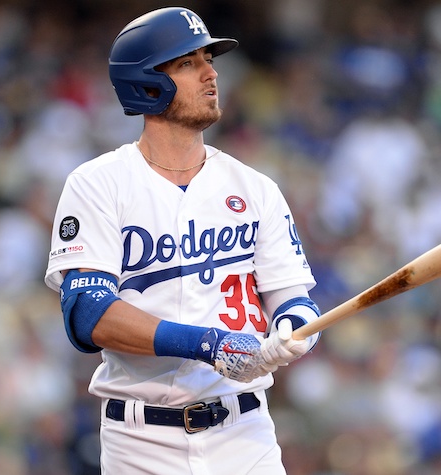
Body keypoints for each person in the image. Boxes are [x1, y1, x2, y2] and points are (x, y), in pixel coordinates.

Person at [44, 7, 321, 474]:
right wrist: (209, 343)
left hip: (245, 435)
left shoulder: (255, 187)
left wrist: (292, 330)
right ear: (147, 82)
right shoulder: (98, 183)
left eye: (208, 60)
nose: (212, 73)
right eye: (189, 63)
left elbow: (294, 297)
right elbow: (87, 315)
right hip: (141, 442)